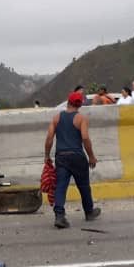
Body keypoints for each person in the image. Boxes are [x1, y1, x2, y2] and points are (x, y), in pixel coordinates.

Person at [44, 91, 100, 228]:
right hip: (77, 156)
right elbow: (85, 138)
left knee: (61, 186)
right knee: (84, 185)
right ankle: (89, 212)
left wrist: (47, 156)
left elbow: (49, 138)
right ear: (80, 104)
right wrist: (91, 156)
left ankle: (59, 215)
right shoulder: (81, 118)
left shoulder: (57, 118)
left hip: (61, 157)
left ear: (68, 102)